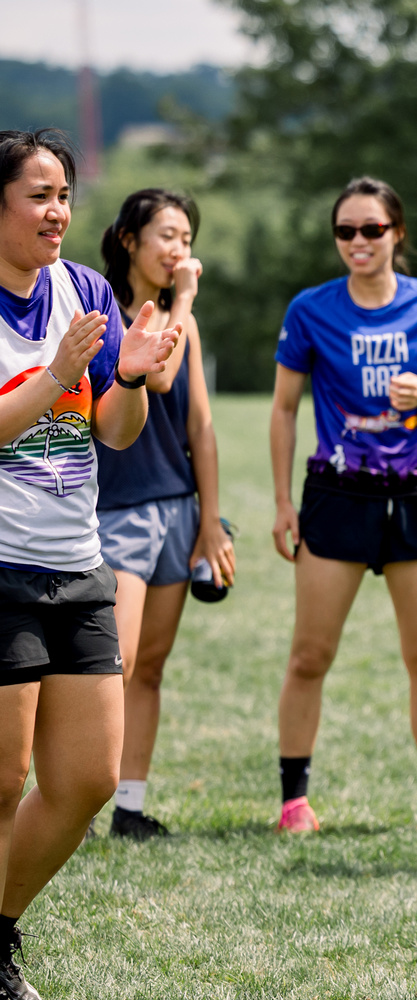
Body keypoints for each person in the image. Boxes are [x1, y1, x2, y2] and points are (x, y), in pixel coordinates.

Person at [0, 128, 181, 1000]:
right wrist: (58, 374)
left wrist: (135, 381)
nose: (57, 211)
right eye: (37, 194)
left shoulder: (87, 291)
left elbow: (110, 431)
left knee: (85, 779)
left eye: (64, 193)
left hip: (77, 565)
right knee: (1, 780)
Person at [268, 176, 417, 840]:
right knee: (309, 655)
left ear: (397, 233)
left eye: (372, 230)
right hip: (336, 495)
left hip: (415, 497)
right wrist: (281, 503)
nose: (358, 242)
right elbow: (282, 408)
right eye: (346, 231)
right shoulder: (310, 309)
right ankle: (294, 802)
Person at [93, 188, 235, 840]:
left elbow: (200, 427)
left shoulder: (186, 319)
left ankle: (128, 807)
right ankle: (77, 799)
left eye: (186, 237)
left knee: (149, 668)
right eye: (167, 235)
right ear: (129, 239)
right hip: (116, 508)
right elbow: (158, 377)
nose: (179, 250)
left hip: (178, 508)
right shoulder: (96, 309)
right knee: (110, 665)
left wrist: (210, 520)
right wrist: (184, 301)